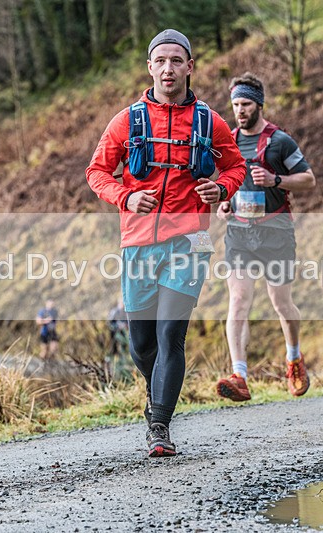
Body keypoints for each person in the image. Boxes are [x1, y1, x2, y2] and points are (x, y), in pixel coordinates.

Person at [86, 29, 246, 457]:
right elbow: (97, 172)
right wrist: (126, 196)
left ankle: (160, 427)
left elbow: (236, 167)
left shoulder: (209, 121)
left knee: (171, 333)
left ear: (190, 67)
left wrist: (222, 189)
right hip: (137, 244)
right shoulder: (128, 120)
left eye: (177, 61)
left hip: (189, 240)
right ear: (150, 67)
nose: (168, 68)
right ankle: (155, 394)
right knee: (142, 345)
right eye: (161, 61)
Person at [215, 72, 316, 403]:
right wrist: (225, 203)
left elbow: (308, 180)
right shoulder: (227, 142)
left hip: (276, 232)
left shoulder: (280, 142)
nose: (239, 111)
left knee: (280, 302)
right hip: (240, 233)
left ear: (258, 104)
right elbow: (227, 184)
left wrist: (275, 180)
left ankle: (294, 358)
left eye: (245, 104)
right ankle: (239, 375)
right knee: (239, 300)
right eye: (235, 105)